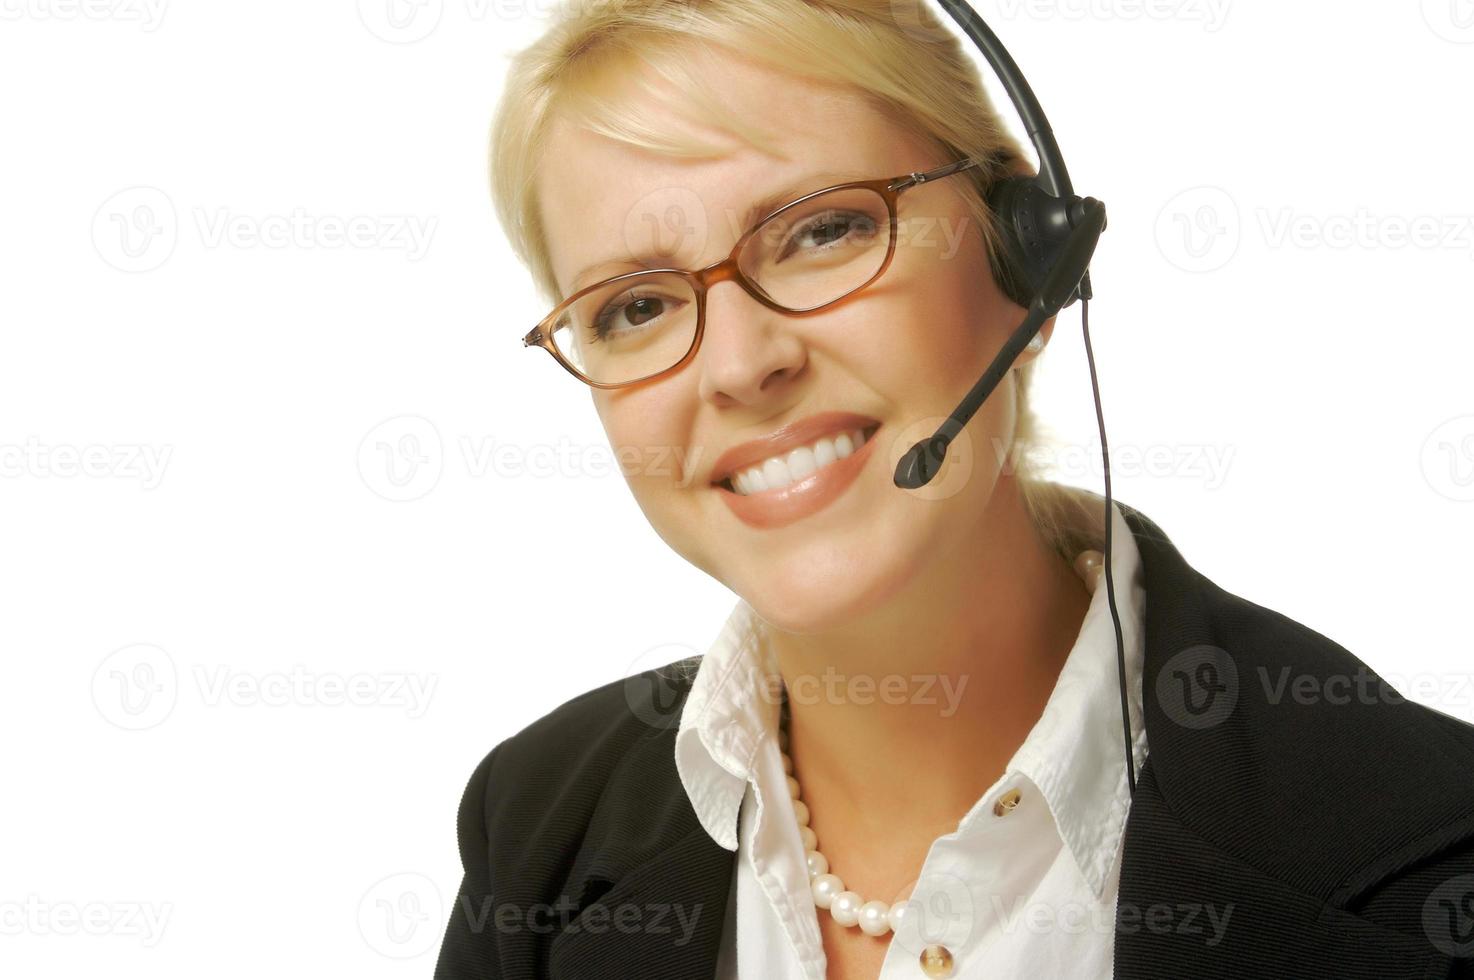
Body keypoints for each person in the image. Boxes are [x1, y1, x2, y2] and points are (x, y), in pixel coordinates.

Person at [435, 1, 1474, 977]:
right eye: (637, 305)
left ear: (1027, 246)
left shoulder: (1423, 851)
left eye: (819, 230)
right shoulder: (536, 829)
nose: (741, 365)